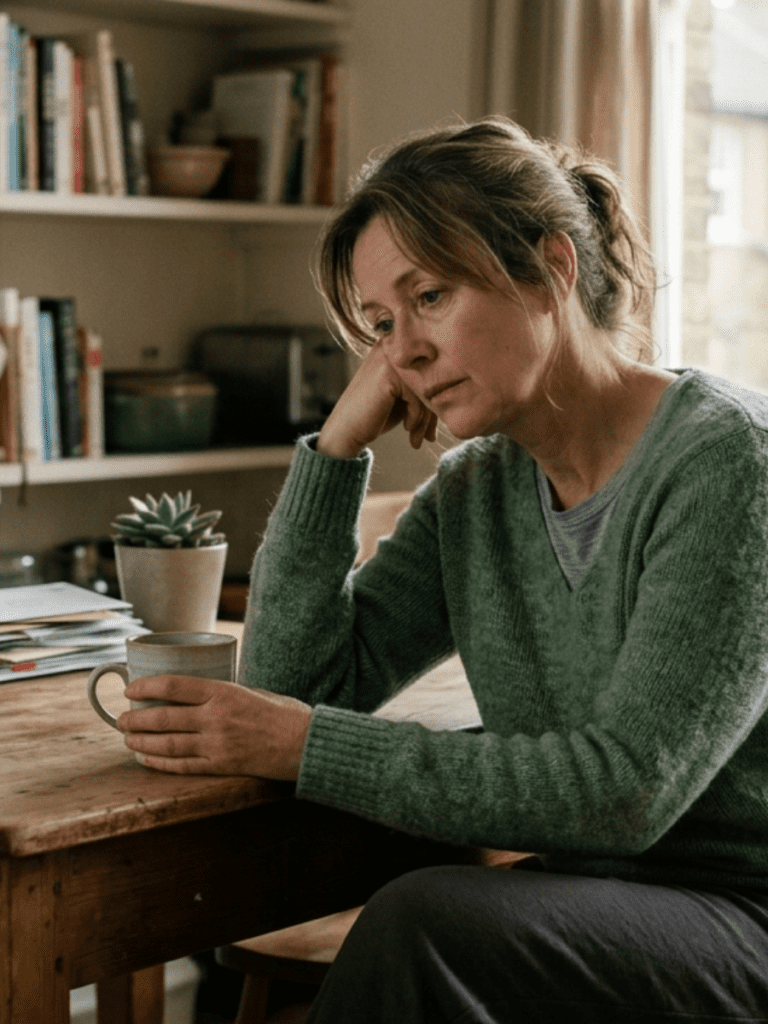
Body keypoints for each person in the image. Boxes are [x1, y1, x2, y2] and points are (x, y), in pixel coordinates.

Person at [118, 116, 768, 1022]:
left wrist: (305, 744)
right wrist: (335, 451)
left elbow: (625, 793)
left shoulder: (730, 462)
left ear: (551, 268)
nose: (404, 353)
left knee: (423, 922)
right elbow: (292, 689)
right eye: (382, 325)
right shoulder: (477, 490)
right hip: (597, 902)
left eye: (429, 296)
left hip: (743, 915)